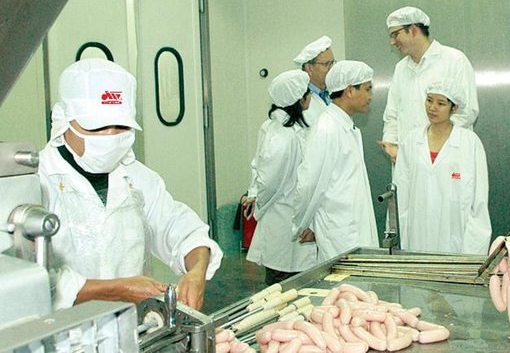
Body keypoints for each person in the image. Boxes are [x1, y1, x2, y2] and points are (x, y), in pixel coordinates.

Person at [39, 59, 222, 311]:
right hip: (61, 331)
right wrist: (119, 290)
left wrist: (197, 270)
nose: (111, 136)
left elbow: (180, 229)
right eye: (98, 126)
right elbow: (29, 279)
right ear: (64, 120)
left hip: (131, 326)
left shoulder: (137, 177)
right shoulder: (37, 182)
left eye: (121, 126)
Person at [292, 60, 379, 262]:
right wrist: (303, 223)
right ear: (350, 90)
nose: (370, 96)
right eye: (367, 89)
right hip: (340, 233)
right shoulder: (327, 129)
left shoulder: (345, 127)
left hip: (350, 227)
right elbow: (309, 184)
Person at [395, 79, 492, 254]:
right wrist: (398, 240)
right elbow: (400, 196)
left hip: (455, 237)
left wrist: (473, 250)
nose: (432, 108)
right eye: (429, 100)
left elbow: (479, 201)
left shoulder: (469, 143)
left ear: (454, 108)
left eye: (441, 103)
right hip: (416, 235)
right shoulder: (411, 140)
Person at [378, 7, 479, 164]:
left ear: (413, 30)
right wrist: (392, 144)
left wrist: (430, 144)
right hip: (407, 160)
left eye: (395, 34)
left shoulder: (454, 60)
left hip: (446, 158)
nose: (392, 42)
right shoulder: (401, 69)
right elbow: (392, 115)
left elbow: (466, 112)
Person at [246, 70, 318, 284]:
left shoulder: (285, 128)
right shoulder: (283, 136)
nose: (310, 97)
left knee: (295, 275)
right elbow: (269, 181)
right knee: (283, 280)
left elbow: (259, 167)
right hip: (282, 216)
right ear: (298, 100)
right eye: (307, 93)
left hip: (290, 214)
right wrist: (259, 200)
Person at [294, 36, 335, 127]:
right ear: (309, 68)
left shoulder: (335, 92)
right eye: (326, 64)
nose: (331, 68)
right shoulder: (301, 100)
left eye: (332, 63)